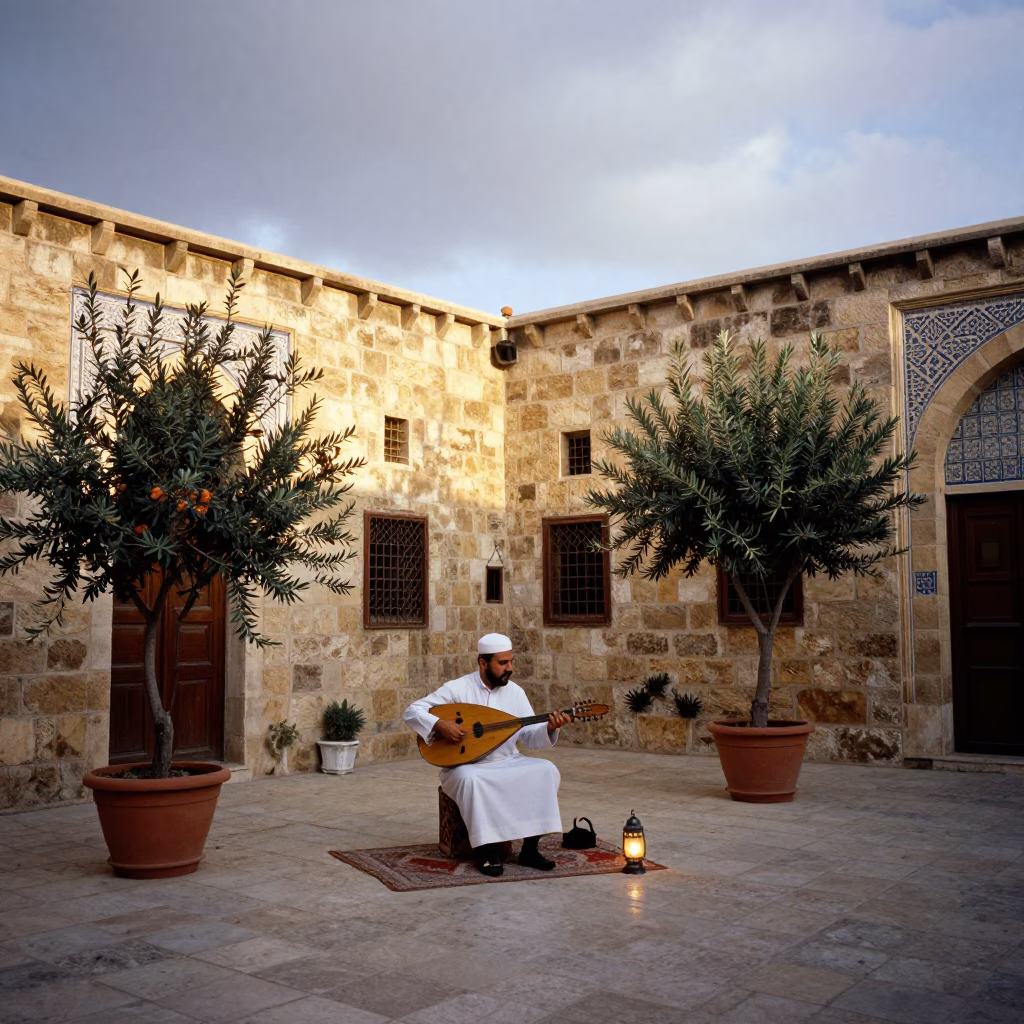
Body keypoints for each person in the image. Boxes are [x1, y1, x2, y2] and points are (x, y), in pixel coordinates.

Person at [403, 633, 568, 876]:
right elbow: (412, 711)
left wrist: (550, 727)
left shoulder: (515, 692)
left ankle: (530, 849)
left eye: (511, 662)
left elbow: (529, 735)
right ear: (482, 662)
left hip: (508, 760)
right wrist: (439, 724)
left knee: (546, 770)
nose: (509, 668)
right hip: (467, 765)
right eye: (502, 663)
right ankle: (487, 852)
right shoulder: (458, 688)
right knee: (471, 780)